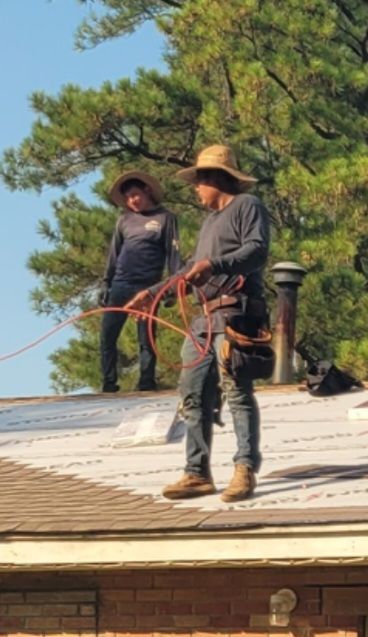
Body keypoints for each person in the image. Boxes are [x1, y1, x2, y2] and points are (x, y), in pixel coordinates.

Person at [127, 145, 270, 503]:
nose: (195, 188)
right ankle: (197, 472)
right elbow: (187, 270)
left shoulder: (247, 206)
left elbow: (257, 251)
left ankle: (244, 468)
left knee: (237, 391)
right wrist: (154, 293)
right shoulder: (209, 223)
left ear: (215, 179)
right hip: (204, 320)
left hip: (236, 314)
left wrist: (215, 266)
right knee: (191, 393)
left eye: (198, 181)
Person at [99, 170, 181, 392]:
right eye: (127, 198)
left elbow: (173, 256)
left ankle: (146, 381)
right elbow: (114, 254)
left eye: (135, 195)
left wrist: (173, 289)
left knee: (146, 338)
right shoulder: (124, 220)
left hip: (148, 287)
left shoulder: (165, 218)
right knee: (107, 335)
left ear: (147, 191)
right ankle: (108, 383)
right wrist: (106, 282)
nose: (132, 201)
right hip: (121, 283)